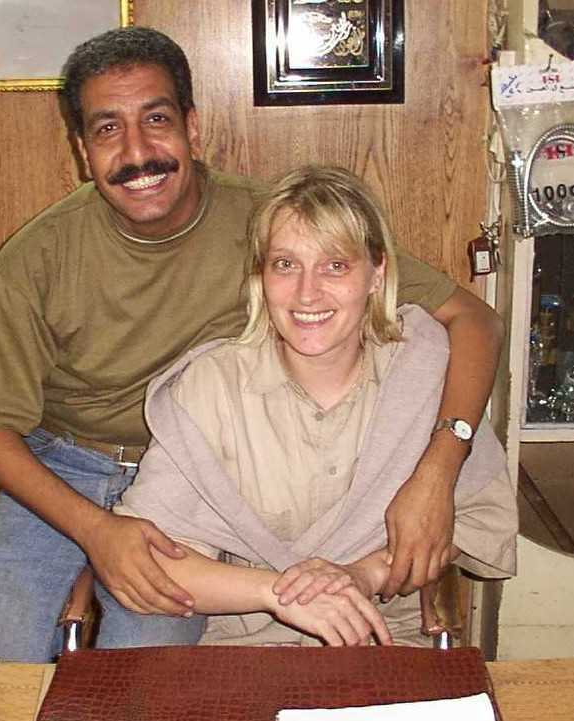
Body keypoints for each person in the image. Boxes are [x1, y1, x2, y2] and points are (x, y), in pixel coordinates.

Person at [0, 27, 504, 661]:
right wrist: (96, 529)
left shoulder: (272, 229)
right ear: (82, 150)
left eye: (156, 120)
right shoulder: (40, 255)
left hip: (199, 473)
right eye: (107, 129)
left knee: (151, 669)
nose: (136, 151)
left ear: (193, 128)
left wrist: (439, 469)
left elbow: (474, 321)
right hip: (66, 468)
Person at [112, 165, 517, 647]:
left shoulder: (426, 373)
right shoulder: (210, 387)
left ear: (377, 274)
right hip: (244, 650)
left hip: (385, 641)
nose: (307, 293)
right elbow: (150, 559)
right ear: (261, 276)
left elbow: (473, 521)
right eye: (285, 264)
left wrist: (364, 575)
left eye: (335, 265)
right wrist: (277, 594)